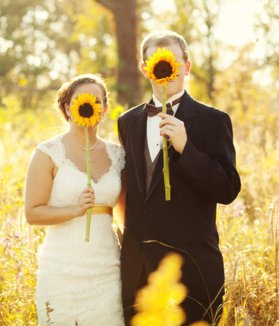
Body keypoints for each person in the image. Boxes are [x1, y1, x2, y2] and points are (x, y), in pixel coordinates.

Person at [117, 30, 241, 325]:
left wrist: (187, 150)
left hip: (192, 269)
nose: (165, 71)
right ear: (146, 68)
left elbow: (227, 189)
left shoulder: (214, 120)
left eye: (173, 63)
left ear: (186, 66)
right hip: (138, 270)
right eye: (158, 64)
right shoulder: (127, 122)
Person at [25, 74, 126, 325]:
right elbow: (32, 213)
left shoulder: (118, 154)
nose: (90, 104)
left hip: (107, 267)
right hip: (61, 267)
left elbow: (125, 218)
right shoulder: (48, 152)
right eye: (82, 99)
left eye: (97, 100)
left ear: (103, 109)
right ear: (68, 108)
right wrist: (75, 209)